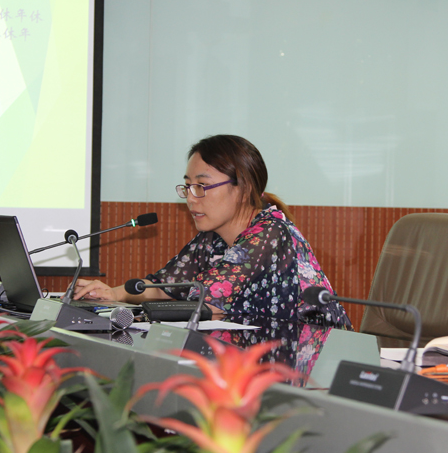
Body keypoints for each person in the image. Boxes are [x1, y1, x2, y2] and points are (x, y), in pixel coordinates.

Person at [73, 134, 352, 329]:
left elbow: (204, 302)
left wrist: (132, 314)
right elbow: (165, 289)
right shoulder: (212, 237)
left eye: (201, 186)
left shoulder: (270, 234)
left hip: (312, 360)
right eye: (188, 186)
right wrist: (114, 294)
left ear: (243, 188)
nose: (191, 198)